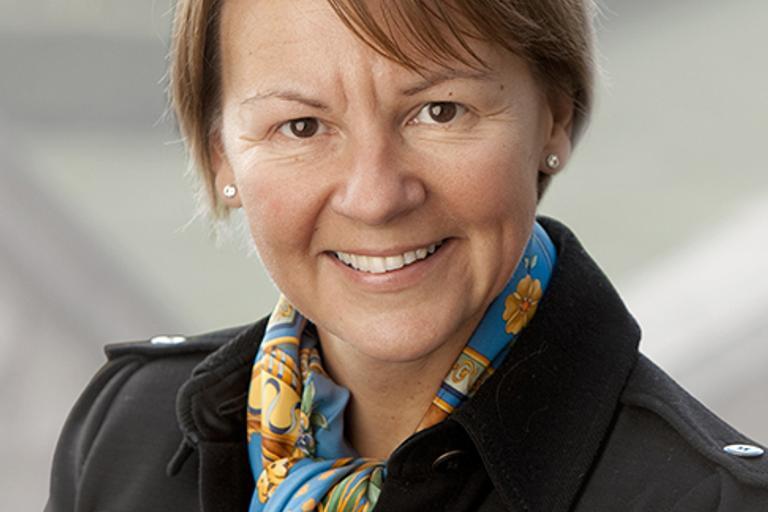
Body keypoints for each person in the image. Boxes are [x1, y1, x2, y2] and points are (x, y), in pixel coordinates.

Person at [46, 0, 768, 511]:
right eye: (302, 126)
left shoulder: (706, 502)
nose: (375, 197)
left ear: (554, 115)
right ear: (220, 155)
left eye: (439, 111)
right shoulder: (124, 432)